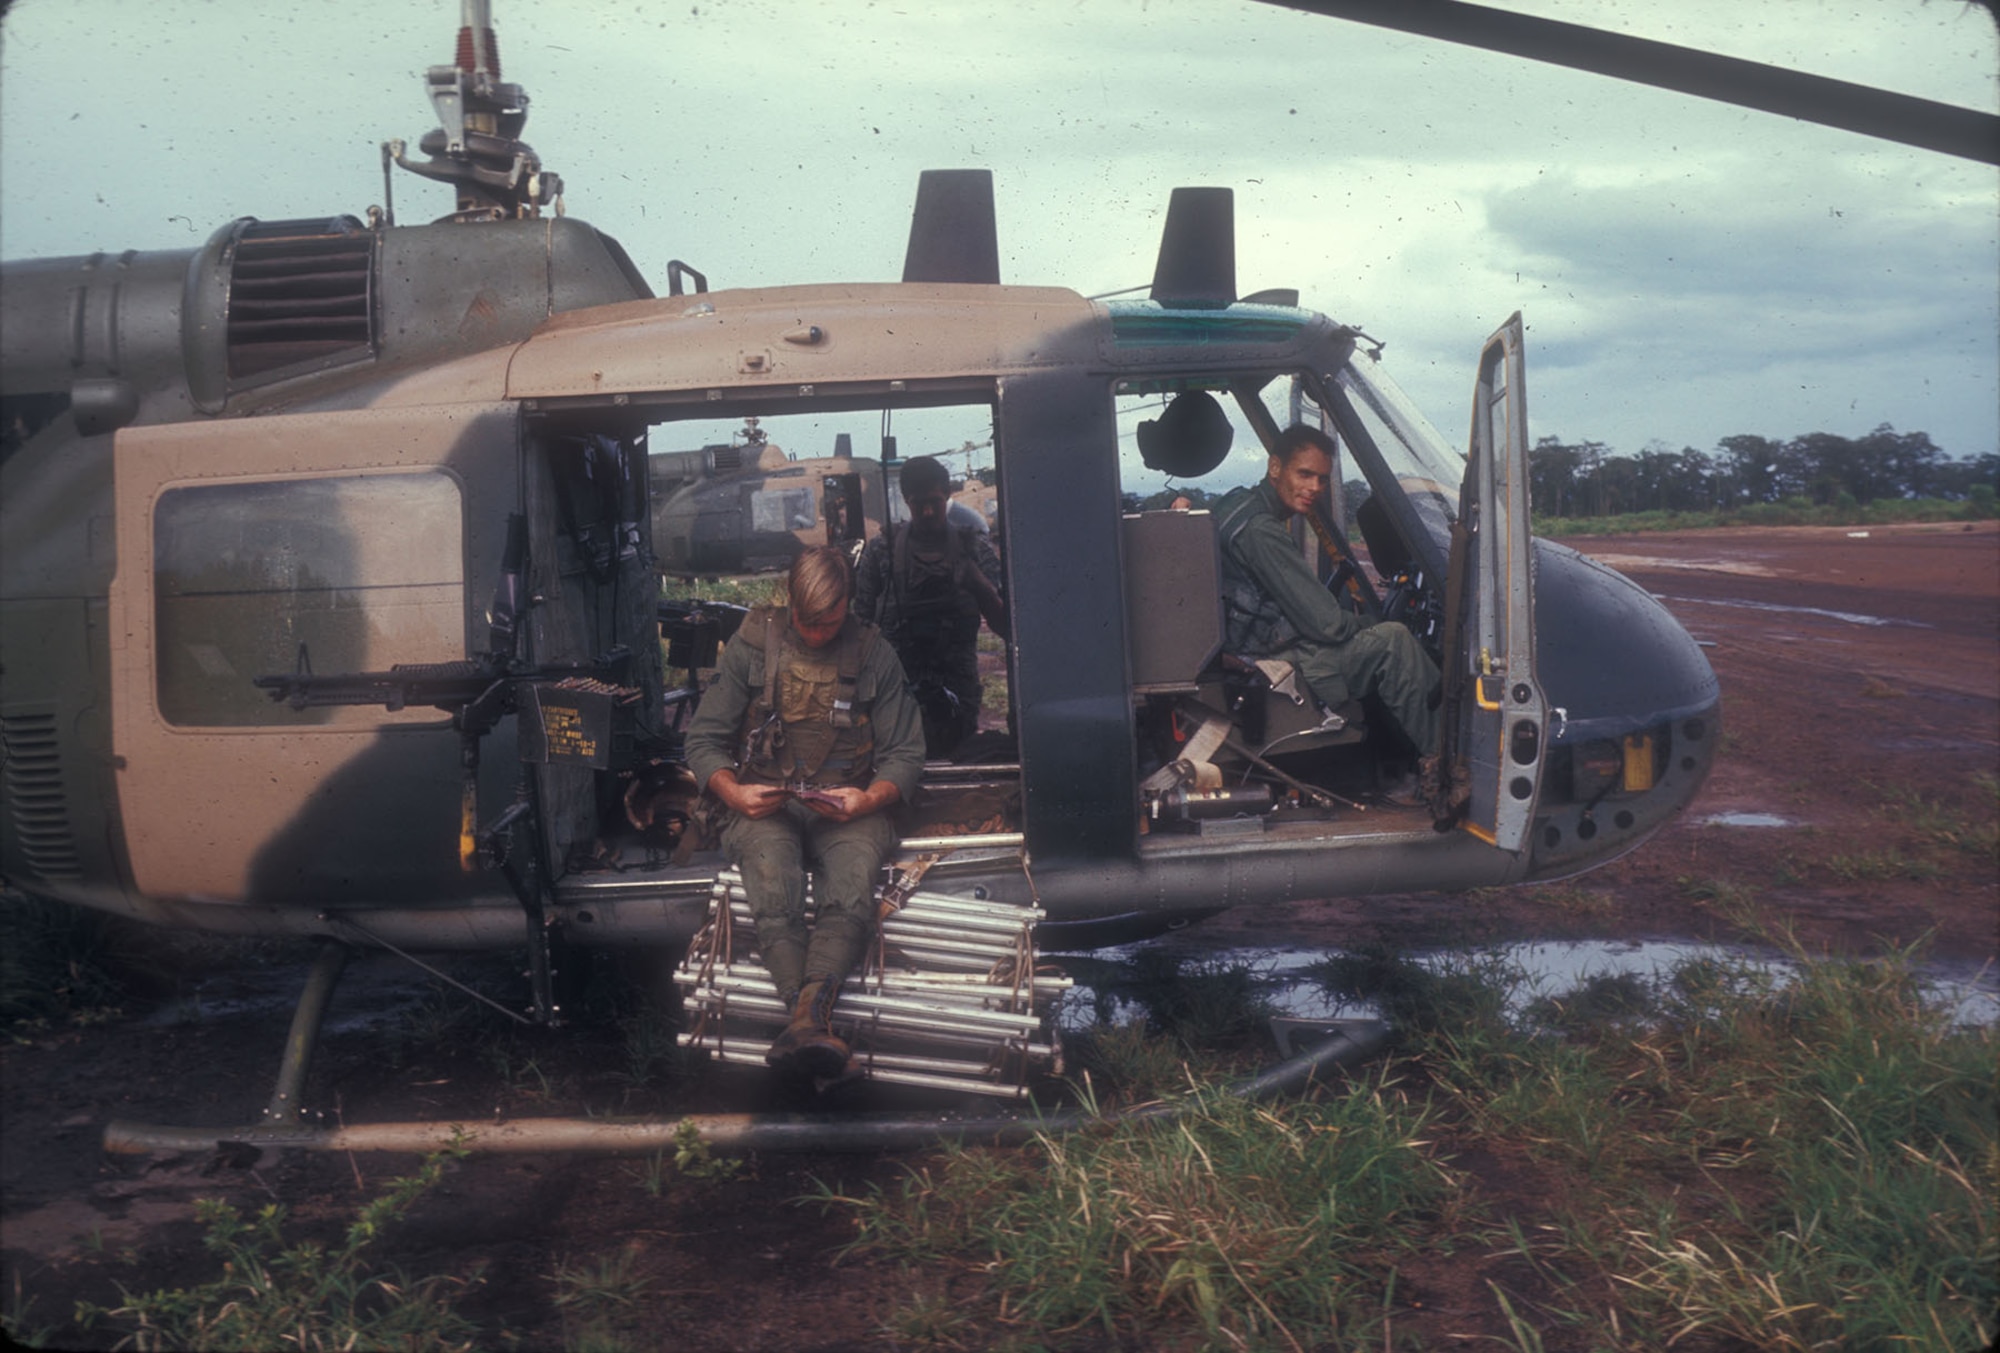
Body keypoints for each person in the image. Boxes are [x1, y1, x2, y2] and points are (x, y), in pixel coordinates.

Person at [682, 546, 925, 1077]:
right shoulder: (753, 646)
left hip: (847, 805)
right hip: (764, 802)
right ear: (790, 602)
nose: (817, 634)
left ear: (848, 607)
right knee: (772, 879)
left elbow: (905, 754)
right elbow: (703, 741)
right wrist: (733, 793)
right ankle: (810, 1021)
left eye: (829, 623)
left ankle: (804, 1021)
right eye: (807, 622)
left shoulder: (874, 654)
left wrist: (869, 798)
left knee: (855, 878)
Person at [1213, 425, 1441, 782]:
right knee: (1393, 642)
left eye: (1321, 479)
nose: (1315, 488)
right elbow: (1327, 626)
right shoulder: (1262, 530)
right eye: (1304, 474)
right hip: (1260, 662)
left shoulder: (1237, 503)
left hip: (1243, 647)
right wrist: (1367, 624)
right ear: (1275, 468)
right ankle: (1445, 766)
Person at [852, 456, 1010, 758]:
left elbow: (1006, 627)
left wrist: (976, 582)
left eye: (935, 502)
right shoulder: (881, 550)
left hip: (956, 688)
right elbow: (860, 625)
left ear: (948, 494)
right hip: (896, 686)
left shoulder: (973, 548)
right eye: (918, 503)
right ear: (905, 501)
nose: (927, 511)